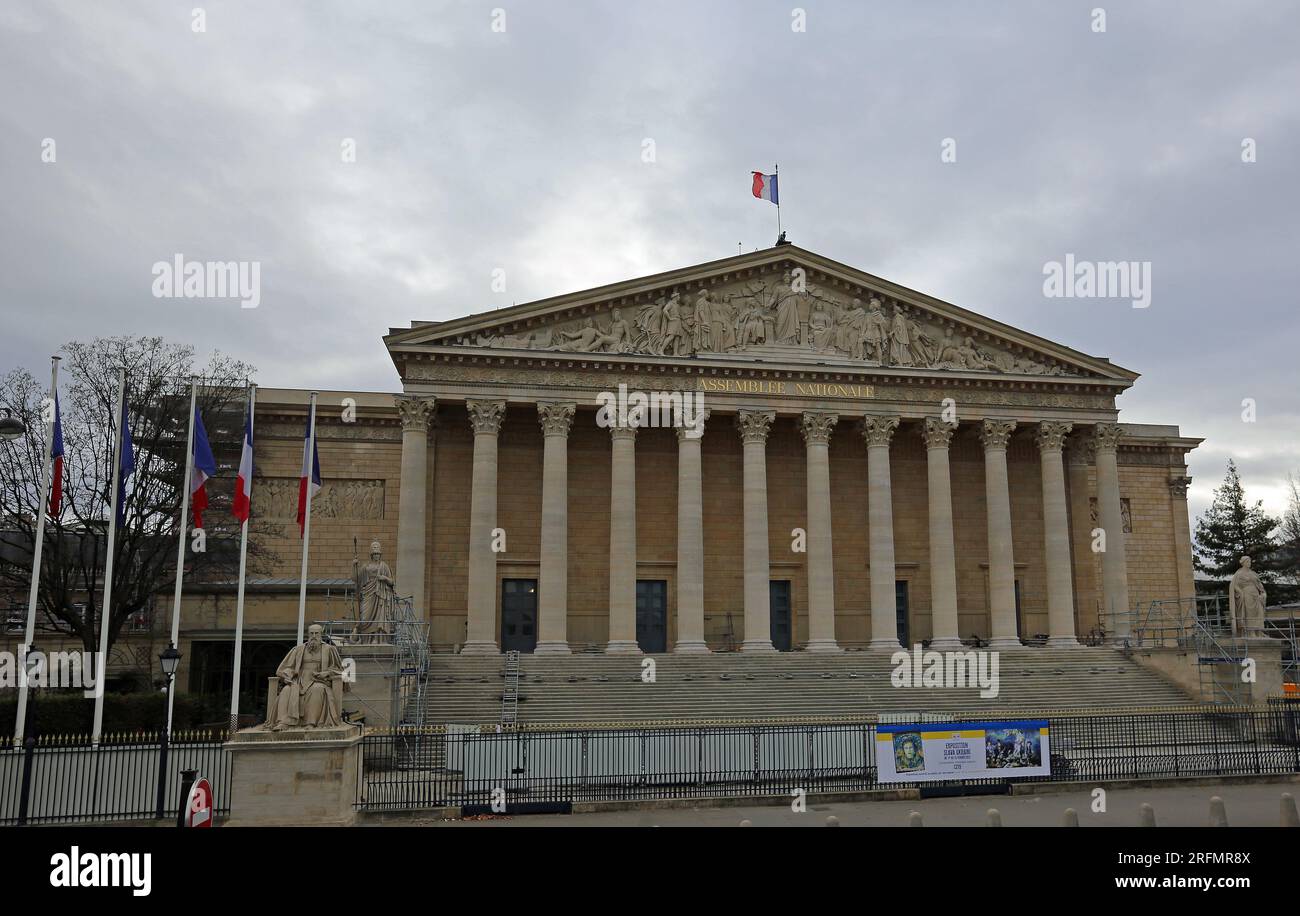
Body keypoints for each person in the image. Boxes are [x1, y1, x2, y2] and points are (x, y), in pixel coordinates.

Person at [269, 625, 344, 730]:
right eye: (311, 633)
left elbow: (339, 670)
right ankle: (283, 722)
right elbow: (285, 668)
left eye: (316, 633)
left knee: (317, 689)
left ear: (321, 634)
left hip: (319, 681)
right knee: (286, 690)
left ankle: (311, 723)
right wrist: (288, 675)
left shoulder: (329, 649)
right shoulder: (298, 650)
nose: (314, 636)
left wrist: (326, 673)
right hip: (299, 680)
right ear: (308, 634)